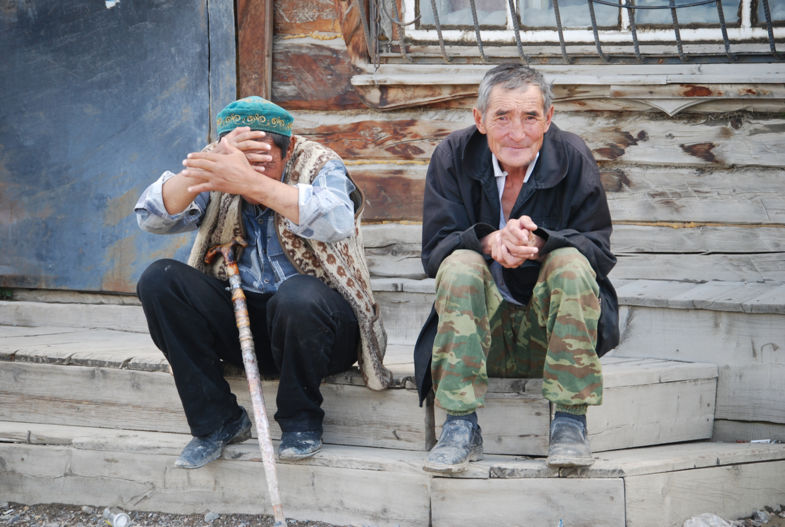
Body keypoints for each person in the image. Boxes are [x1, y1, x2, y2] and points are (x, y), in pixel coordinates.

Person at [135, 96, 391, 469]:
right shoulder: (217, 164)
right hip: (245, 326)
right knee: (160, 280)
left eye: (265, 161)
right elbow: (150, 218)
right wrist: (202, 173)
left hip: (318, 329)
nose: (254, 168)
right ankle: (217, 422)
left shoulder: (319, 163)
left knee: (297, 296)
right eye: (245, 160)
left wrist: (250, 182)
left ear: (288, 152)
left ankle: (301, 421)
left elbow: (338, 219)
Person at [414, 64, 619, 473]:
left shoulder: (573, 156)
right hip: (477, 343)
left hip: (547, 342)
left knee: (571, 262)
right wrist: (489, 242)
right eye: (502, 117)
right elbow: (434, 252)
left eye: (530, 117)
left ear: (549, 117)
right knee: (459, 264)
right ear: (479, 119)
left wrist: (542, 243)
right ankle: (459, 425)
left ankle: (569, 422)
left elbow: (599, 252)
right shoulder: (452, 156)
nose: (517, 132)